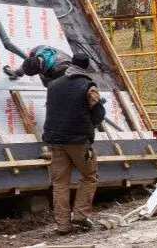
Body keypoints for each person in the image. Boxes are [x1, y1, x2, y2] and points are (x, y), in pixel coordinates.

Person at [41, 53, 105, 235]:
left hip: (54, 140)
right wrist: (88, 125)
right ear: (85, 67)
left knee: (60, 183)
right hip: (78, 140)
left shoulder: (53, 86)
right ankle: (80, 216)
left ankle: (62, 225)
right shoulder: (88, 86)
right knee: (89, 175)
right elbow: (98, 114)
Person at [4, 45, 72, 86]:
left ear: (39, 71)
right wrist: (18, 72)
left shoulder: (60, 69)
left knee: (48, 84)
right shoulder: (38, 49)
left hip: (66, 71)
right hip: (53, 64)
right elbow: (29, 62)